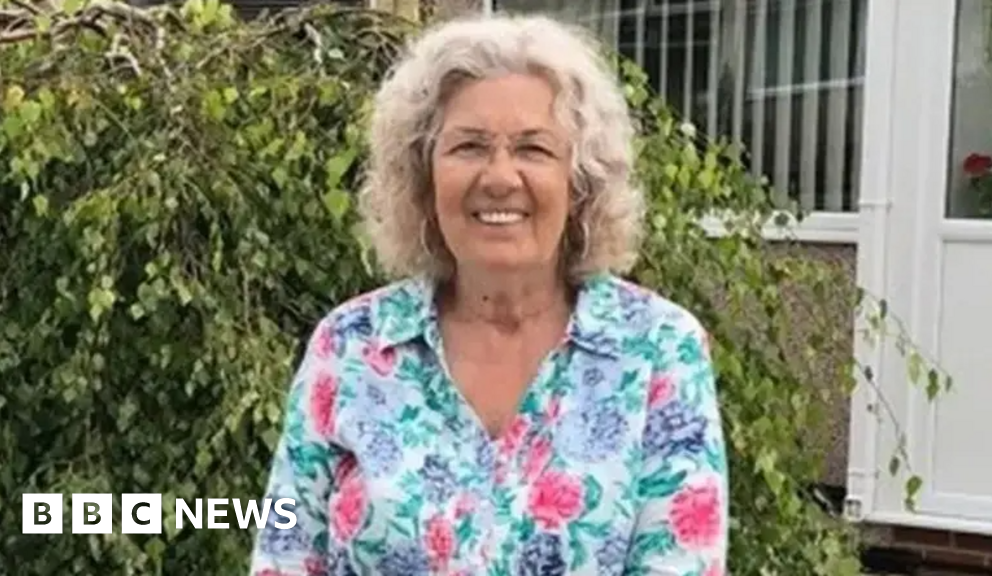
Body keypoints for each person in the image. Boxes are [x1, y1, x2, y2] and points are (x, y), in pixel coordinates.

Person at [250, 12, 728, 576]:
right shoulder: (350, 346)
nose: (500, 177)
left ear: (580, 183)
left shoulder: (657, 351)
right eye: (469, 146)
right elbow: (285, 555)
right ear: (424, 178)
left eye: (533, 149)